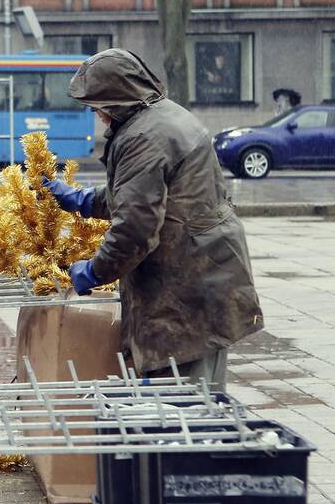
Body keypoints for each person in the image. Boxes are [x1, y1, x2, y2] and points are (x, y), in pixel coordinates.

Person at [42, 48, 264, 391]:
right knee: (194, 396)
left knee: (183, 407)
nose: (96, 115)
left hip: (186, 286)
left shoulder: (144, 137)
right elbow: (141, 194)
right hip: (204, 274)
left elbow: (134, 227)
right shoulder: (162, 117)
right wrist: (83, 201)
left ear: (117, 101)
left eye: (97, 106)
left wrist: (94, 271)